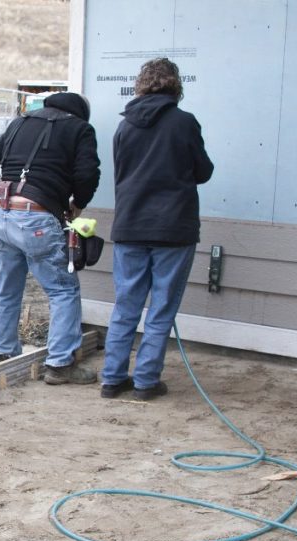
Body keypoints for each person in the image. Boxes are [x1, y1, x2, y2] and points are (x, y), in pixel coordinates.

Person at [99, 58, 214, 401]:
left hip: (130, 226)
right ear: (175, 86)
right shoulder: (184, 123)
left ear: (141, 84)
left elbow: (122, 175)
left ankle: (112, 379)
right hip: (173, 229)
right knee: (161, 307)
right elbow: (203, 171)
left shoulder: (124, 127)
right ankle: (146, 383)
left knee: (126, 306)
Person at [0, 92, 101, 385]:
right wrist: (77, 205)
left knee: (6, 289)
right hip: (37, 215)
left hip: (1, 212)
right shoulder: (81, 129)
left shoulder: (20, 122)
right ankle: (59, 364)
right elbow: (87, 174)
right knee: (62, 291)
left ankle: (6, 355)